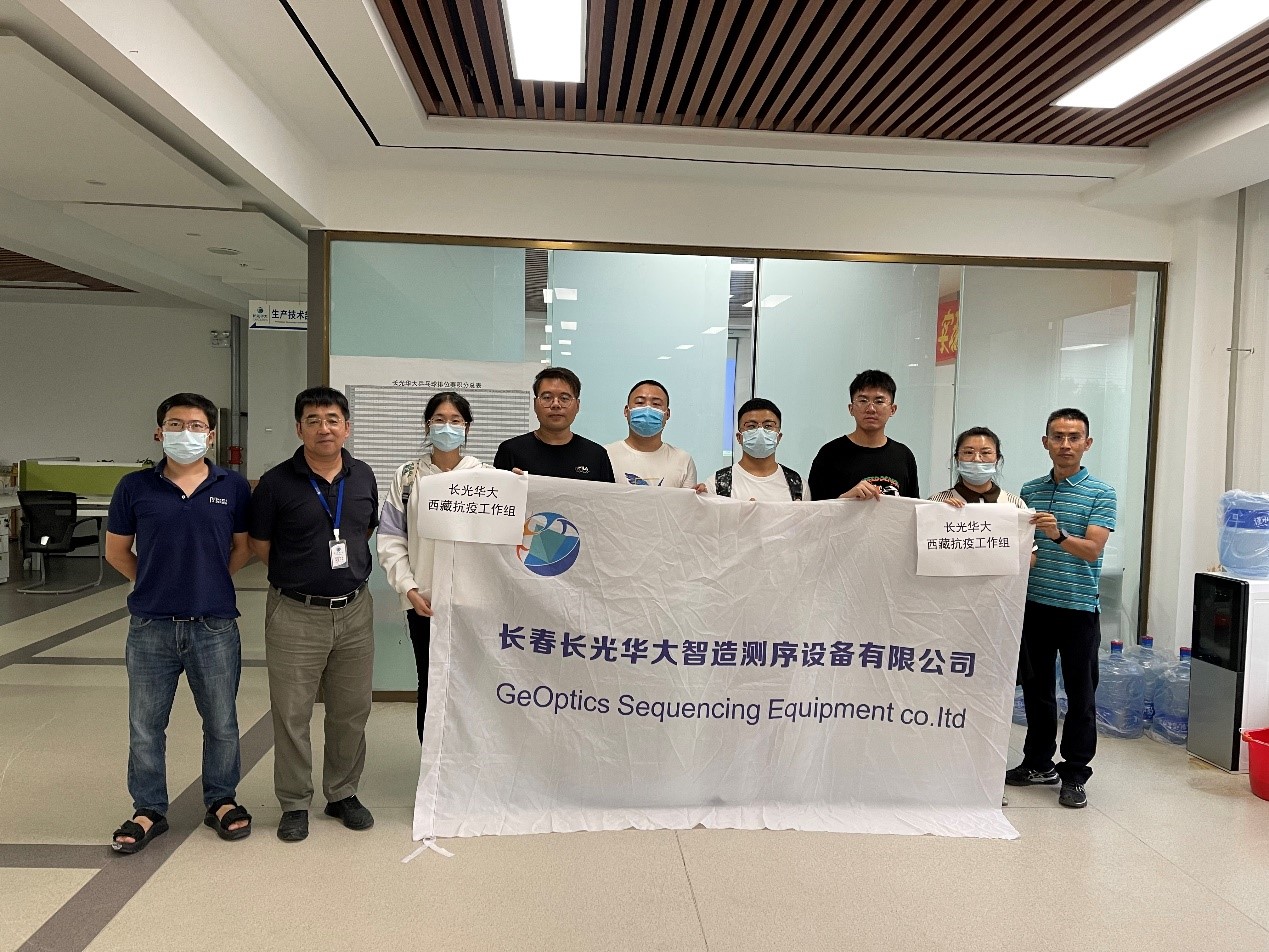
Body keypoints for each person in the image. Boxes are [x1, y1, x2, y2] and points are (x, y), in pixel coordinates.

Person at [105, 393, 253, 853]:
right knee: (146, 725)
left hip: (214, 626)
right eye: (175, 424)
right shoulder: (134, 486)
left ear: (211, 435)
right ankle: (148, 808)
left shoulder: (234, 486)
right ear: (159, 432)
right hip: (151, 626)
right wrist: (155, 582)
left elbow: (242, 548)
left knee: (222, 721)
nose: (185, 433)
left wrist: (208, 579)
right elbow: (116, 551)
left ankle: (221, 799)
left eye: (195, 426)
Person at [249, 387, 379, 843]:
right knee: (292, 713)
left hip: (355, 609)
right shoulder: (276, 483)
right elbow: (260, 545)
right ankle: (294, 802)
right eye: (313, 420)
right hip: (295, 612)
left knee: (351, 710)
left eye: (332, 419)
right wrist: (302, 574)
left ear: (347, 426)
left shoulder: (363, 475)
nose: (324, 428)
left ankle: (342, 793)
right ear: (298, 428)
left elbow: (364, 529)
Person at [1005, 408, 1117, 810]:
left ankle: (1075, 773)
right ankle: (1038, 762)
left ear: (1087, 443)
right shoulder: (1030, 490)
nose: (1065, 445)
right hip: (1035, 605)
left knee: (1080, 695)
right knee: (1037, 692)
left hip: (1078, 608)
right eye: (1057, 436)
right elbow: (1021, 545)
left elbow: (1092, 550)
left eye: (1074, 437)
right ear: (1046, 442)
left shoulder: (1101, 493)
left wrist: (1057, 534)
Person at [377, 391, 490, 743]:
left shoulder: (487, 476)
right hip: (425, 602)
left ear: (467, 427)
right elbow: (391, 538)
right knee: (430, 681)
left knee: (472, 685)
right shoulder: (408, 477)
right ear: (427, 425)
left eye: (455, 420)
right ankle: (432, 765)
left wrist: (519, 487)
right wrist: (409, 589)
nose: (447, 427)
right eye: (439, 420)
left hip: (474, 605)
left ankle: (468, 765)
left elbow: (502, 541)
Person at [808, 369, 919, 500]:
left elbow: (913, 507)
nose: (871, 409)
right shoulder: (829, 454)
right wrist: (844, 500)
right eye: (863, 401)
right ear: (851, 408)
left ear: (892, 409)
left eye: (879, 401)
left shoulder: (904, 456)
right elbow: (814, 509)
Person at [494, 366, 615, 482]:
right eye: (547, 397)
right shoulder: (510, 451)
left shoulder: (596, 455)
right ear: (535, 404)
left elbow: (607, 496)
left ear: (577, 406)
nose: (556, 404)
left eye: (564, 398)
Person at [700, 398, 804, 501]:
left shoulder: (797, 485)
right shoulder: (717, 485)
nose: (760, 432)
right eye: (751, 426)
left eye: (768, 426)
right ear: (739, 437)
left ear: (778, 437)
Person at [605, 379, 698, 488]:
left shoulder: (683, 460)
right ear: (626, 411)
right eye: (640, 402)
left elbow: (688, 499)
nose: (647, 410)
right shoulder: (605, 455)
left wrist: (700, 495)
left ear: (667, 414)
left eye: (656, 404)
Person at [929, 426, 1027, 510]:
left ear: (997, 459)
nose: (977, 459)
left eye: (986, 452)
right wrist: (939, 513)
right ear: (957, 459)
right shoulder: (936, 502)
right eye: (968, 452)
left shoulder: (1015, 505)